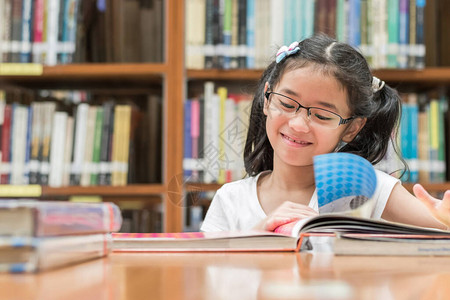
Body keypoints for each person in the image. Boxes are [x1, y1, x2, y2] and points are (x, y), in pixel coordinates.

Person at [200, 34, 450, 232]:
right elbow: (206, 277)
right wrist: (259, 235)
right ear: (267, 99)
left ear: (352, 128)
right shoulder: (231, 199)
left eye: (321, 115)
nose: (298, 124)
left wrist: (445, 221)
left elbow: (441, 233)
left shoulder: (366, 189)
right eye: (287, 104)